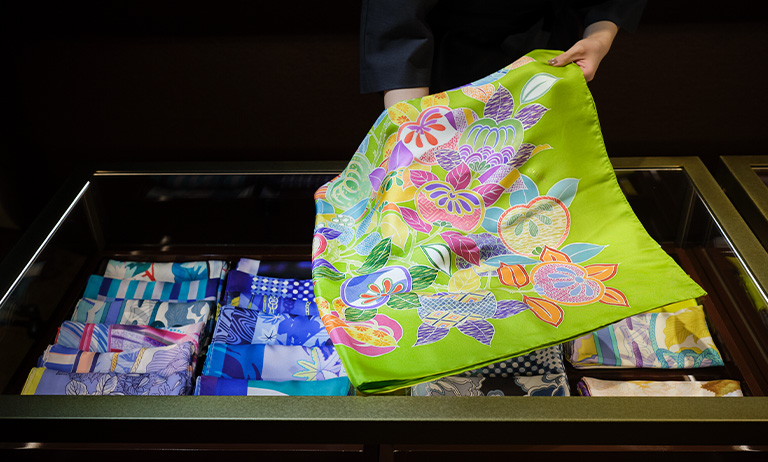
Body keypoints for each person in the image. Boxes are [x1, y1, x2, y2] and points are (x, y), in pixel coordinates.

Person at [360, 0, 647, 107]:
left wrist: (598, 37)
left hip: (548, 48)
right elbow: (396, 17)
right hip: (440, 57)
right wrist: (411, 125)